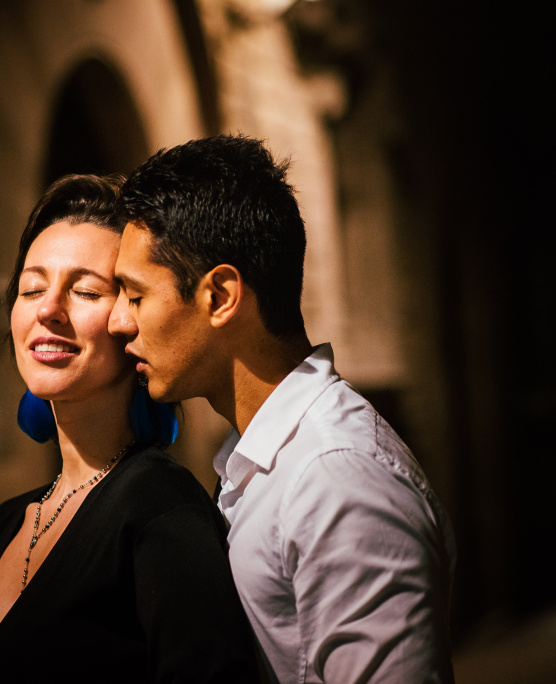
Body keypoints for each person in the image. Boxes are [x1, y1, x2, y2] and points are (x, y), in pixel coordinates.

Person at [109, 135, 457, 683]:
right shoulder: (269, 459)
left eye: (135, 295)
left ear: (220, 296)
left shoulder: (335, 478)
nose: (118, 321)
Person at [0, 174, 262, 683]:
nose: (48, 309)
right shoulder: (2, 526)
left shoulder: (161, 508)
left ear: (133, 321)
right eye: (32, 288)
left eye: (86, 291)